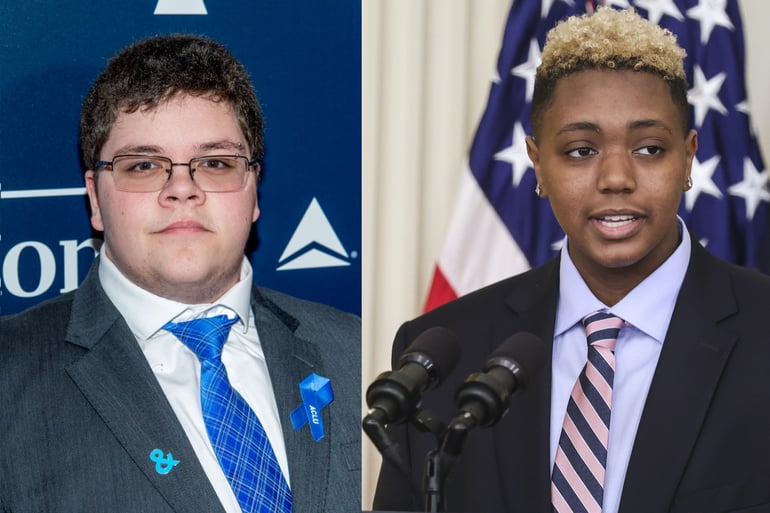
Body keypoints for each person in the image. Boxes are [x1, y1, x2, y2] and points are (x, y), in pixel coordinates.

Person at [373, 7, 770, 513]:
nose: (616, 178)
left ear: (688, 157)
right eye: (581, 151)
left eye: (649, 148)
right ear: (537, 163)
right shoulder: (447, 353)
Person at [0, 34, 360, 513]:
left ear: (253, 190)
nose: (182, 188)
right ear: (95, 198)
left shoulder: (359, 350)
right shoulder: (10, 382)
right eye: (144, 165)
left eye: (215, 162)